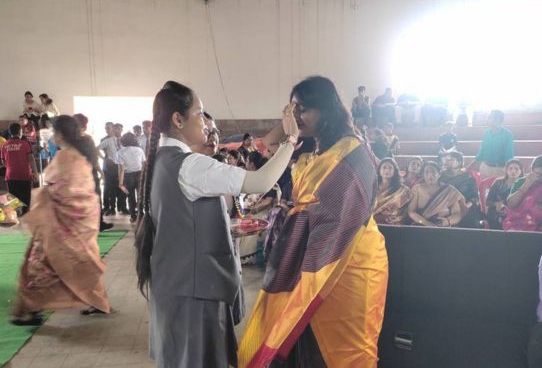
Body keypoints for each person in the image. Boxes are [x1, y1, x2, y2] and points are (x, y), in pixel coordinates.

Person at [135, 80, 298, 368]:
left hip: (175, 283)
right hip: (195, 289)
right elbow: (260, 181)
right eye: (200, 113)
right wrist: (291, 140)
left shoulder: (162, 159)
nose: (205, 122)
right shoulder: (189, 165)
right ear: (178, 119)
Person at [239, 76, 387, 368]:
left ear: (327, 109)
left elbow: (342, 215)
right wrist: (289, 125)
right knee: (301, 336)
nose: (296, 116)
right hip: (309, 256)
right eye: (292, 109)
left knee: (346, 347)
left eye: (304, 108)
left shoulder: (351, 152)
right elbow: (262, 150)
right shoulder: (311, 152)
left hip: (347, 258)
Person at [10, 115, 110, 326]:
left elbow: (61, 192)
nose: (51, 137)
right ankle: (97, 301)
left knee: (38, 264)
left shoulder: (65, 158)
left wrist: (42, 200)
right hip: (80, 221)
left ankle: (30, 310)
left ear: (60, 134)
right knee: (84, 260)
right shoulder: (81, 156)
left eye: (53, 132)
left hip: (60, 223)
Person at [74, 113, 113, 232]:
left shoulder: (71, 139)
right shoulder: (84, 139)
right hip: (84, 173)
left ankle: (89, 224)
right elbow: (93, 157)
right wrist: (100, 171)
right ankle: (95, 224)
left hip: (79, 173)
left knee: (85, 199)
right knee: (92, 198)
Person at [408, 161, 464, 227]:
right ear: (423, 175)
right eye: (427, 172)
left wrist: (447, 221)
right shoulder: (417, 189)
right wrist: (426, 223)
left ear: (439, 174)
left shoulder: (449, 190)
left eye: (433, 172)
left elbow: (457, 214)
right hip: (421, 226)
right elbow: (411, 211)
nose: (430, 175)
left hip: (442, 228)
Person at [0, 123, 38, 214]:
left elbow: (3, 162)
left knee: (13, 197)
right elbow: (31, 159)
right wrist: (35, 172)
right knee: (26, 197)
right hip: (25, 175)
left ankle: (15, 216)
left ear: (10, 132)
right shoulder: (25, 144)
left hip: (11, 175)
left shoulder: (4, 145)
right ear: (20, 132)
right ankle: (25, 214)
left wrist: (11, 165)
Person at [440, 151, 483, 228]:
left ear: (459, 162)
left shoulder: (467, 176)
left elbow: (475, 196)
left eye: (450, 159)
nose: (447, 161)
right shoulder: (441, 176)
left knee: (470, 216)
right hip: (446, 206)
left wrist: (465, 206)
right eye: (446, 159)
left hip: (466, 205)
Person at [503, 156, 542, 232]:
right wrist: (526, 184)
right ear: (531, 170)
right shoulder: (521, 181)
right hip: (518, 223)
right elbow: (511, 205)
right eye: (539, 175)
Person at [474, 110, 514, 178]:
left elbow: (509, 156)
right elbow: (482, 151)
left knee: (496, 188)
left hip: (499, 169)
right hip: (485, 167)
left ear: (498, 120)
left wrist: (508, 170)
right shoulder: (486, 133)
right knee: (483, 187)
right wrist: (472, 164)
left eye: (490, 118)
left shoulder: (507, 134)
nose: (487, 120)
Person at [486, 159, 524, 230]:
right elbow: (488, 201)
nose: (513, 171)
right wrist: (496, 204)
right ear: (506, 171)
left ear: (521, 171)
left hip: (517, 213)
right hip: (498, 213)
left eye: (516, 169)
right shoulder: (498, 182)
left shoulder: (524, 184)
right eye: (510, 168)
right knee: (496, 218)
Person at [116, 132, 145, 223]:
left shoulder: (120, 152)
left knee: (131, 196)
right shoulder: (139, 150)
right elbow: (144, 164)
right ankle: (141, 214)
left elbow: (121, 169)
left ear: (123, 141)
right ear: (134, 140)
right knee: (141, 196)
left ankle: (133, 216)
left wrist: (120, 183)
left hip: (128, 176)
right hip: (140, 174)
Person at [374, 158, 411, 225]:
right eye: (384, 167)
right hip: (372, 223)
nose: (387, 170)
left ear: (394, 171)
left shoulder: (403, 190)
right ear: (379, 170)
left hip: (392, 223)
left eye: (390, 168)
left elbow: (404, 211)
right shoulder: (373, 187)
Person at [98, 122, 120, 215]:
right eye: (106, 128)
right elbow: (97, 149)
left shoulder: (121, 139)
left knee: (118, 186)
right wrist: (105, 159)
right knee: (107, 187)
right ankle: (108, 207)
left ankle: (119, 206)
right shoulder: (105, 139)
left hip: (119, 166)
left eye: (109, 128)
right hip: (109, 166)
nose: (107, 130)